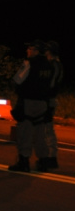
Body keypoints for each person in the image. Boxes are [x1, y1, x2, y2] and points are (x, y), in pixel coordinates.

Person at [8, 40, 54, 172]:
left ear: (36, 50)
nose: (27, 51)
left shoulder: (29, 63)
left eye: (30, 48)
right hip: (43, 103)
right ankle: (43, 161)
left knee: (25, 133)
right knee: (40, 134)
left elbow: (17, 80)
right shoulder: (49, 65)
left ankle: (24, 161)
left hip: (28, 102)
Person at [44, 40, 63, 169]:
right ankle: (49, 156)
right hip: (50, 98)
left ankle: (51, 157)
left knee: (47, 129)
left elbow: (51, 83)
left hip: (48, 99)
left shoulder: (53, 65)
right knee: (47, 129)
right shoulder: (57, 64)